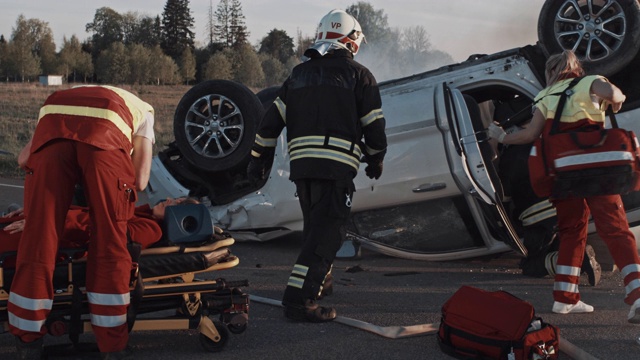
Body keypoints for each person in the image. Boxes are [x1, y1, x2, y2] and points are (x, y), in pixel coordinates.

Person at [246, 9, 387, 323]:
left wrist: (258, 161)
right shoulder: (360, 76)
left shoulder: (298, 75)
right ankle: (299, 299)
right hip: (336, 169)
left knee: (315, 230)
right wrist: (376, 159)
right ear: (351, 40)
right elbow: (374, 128)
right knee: (329, 234)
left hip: (304, 170)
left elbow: (269, 123)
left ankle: (321, 281)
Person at [487, 50, 640, 321]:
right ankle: (637, 295)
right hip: (595, 170)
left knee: (571, 230)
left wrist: (501, 136)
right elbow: (615, 95)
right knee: (615, 230)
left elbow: (530, 135)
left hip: (562, 174)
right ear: (576, 68)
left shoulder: (545, 96)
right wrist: (616, 101)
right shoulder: (589, 82)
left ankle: (565, 299)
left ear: (550, 72)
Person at [9, 85, 155, 359]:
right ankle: (112, 347)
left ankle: (27, 341)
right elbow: (141, 179)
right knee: (109, 244)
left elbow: (22, 159)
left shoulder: (64, 98)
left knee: (37, 240)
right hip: (106, 141)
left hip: (52, 129)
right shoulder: (144, 110)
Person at [0, 197, 197, 267]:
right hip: (46, 229)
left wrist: (47, 221)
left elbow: (105, 234)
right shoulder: (141, 216)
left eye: (177, 204)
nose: (169, 199)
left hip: (52, 239)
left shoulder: (151, 229)